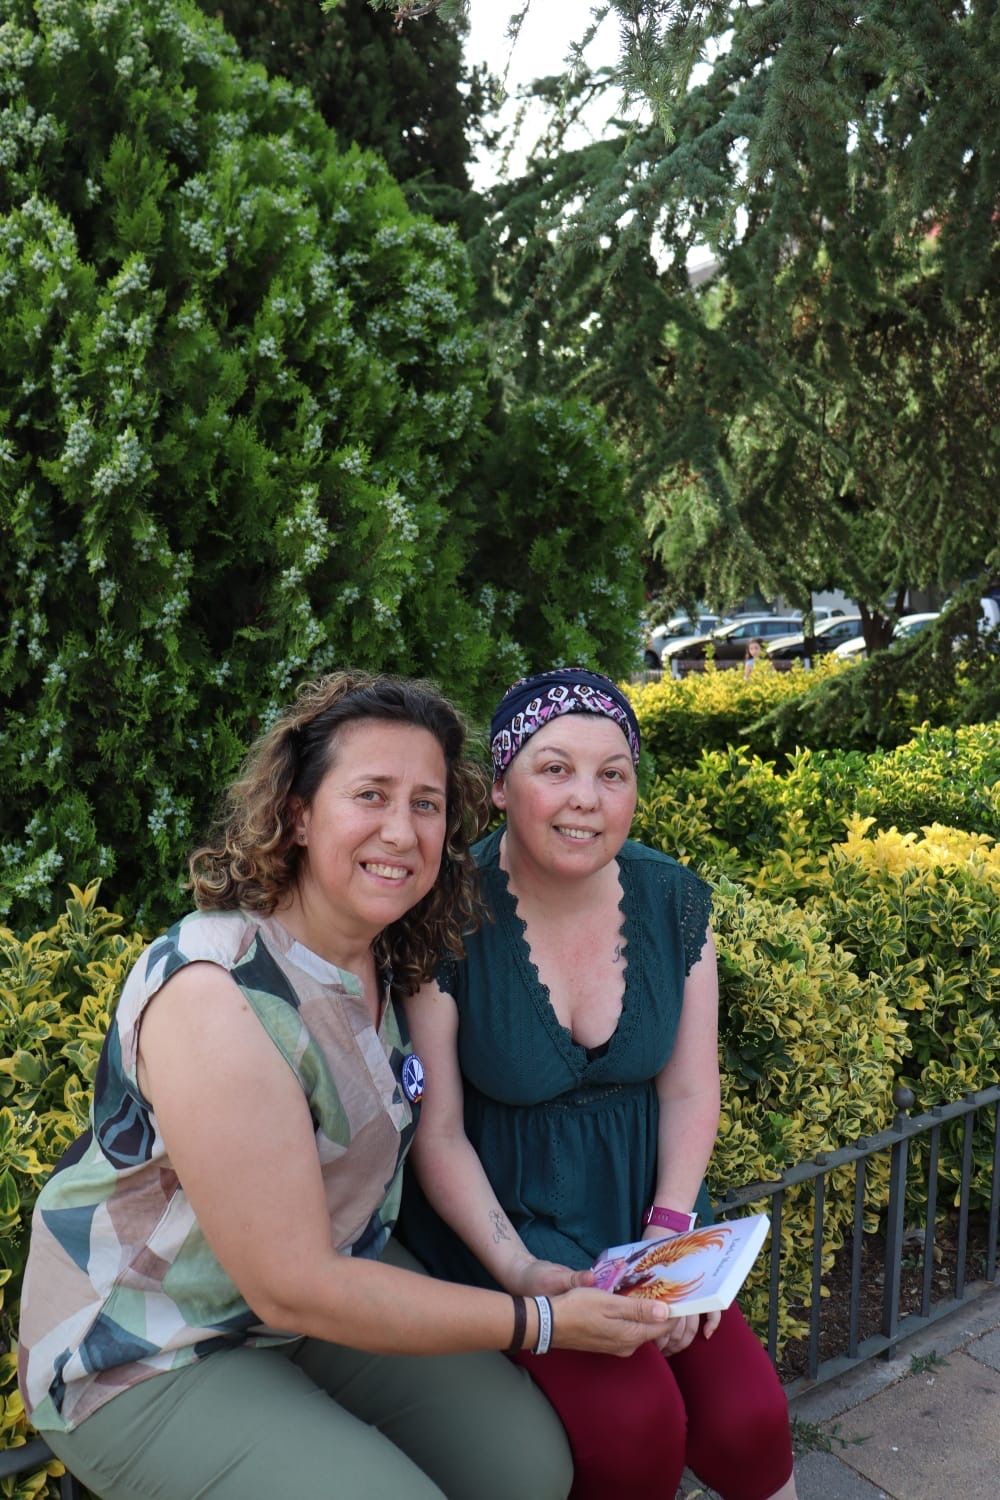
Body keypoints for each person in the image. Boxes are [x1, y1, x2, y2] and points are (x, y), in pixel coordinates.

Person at [17, 671, 675, 1500]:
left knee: (526, 1468)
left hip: (309, 1303)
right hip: (148, 1347)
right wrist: (540, 1322)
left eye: (427, 804)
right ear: (297, 813)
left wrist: (523, 1270)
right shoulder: (214, 994)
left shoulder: (388, 950)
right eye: (371, 795)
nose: (401, 831)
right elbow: (292, 1284)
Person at [399, 668, 798, 1500]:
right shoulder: (444, 915)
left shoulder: (672, 899)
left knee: (748, 1421)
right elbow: (436, 1132)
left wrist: (669, 1240)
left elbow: (690, 1090)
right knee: (633, 1433)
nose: (586, 797)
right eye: (555, 769)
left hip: (643, 1213)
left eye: (612, 773)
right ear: (502, 786)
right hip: (507, 1230)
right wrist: (518, 1275)